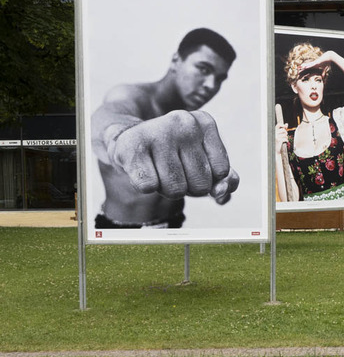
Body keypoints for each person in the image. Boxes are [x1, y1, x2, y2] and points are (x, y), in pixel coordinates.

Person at [91, 28, 240, 228]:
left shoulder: (186, 125)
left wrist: (211, 183)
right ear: (175, 60)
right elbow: (107, 116)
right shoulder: (130, 95)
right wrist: (121, 135)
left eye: (219, 79)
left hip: (174, 223)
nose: (211, 85)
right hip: (121, 230)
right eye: (203, 69)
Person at [274, 43, 344, 202]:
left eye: (318, 80)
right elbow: (289, 201)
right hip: (310, 221)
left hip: (342, 219)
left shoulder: (339, 120)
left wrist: (332, 56)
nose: (313, 86)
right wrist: (278, 154)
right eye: (305, 80)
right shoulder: (290, 140)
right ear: (294, 86)